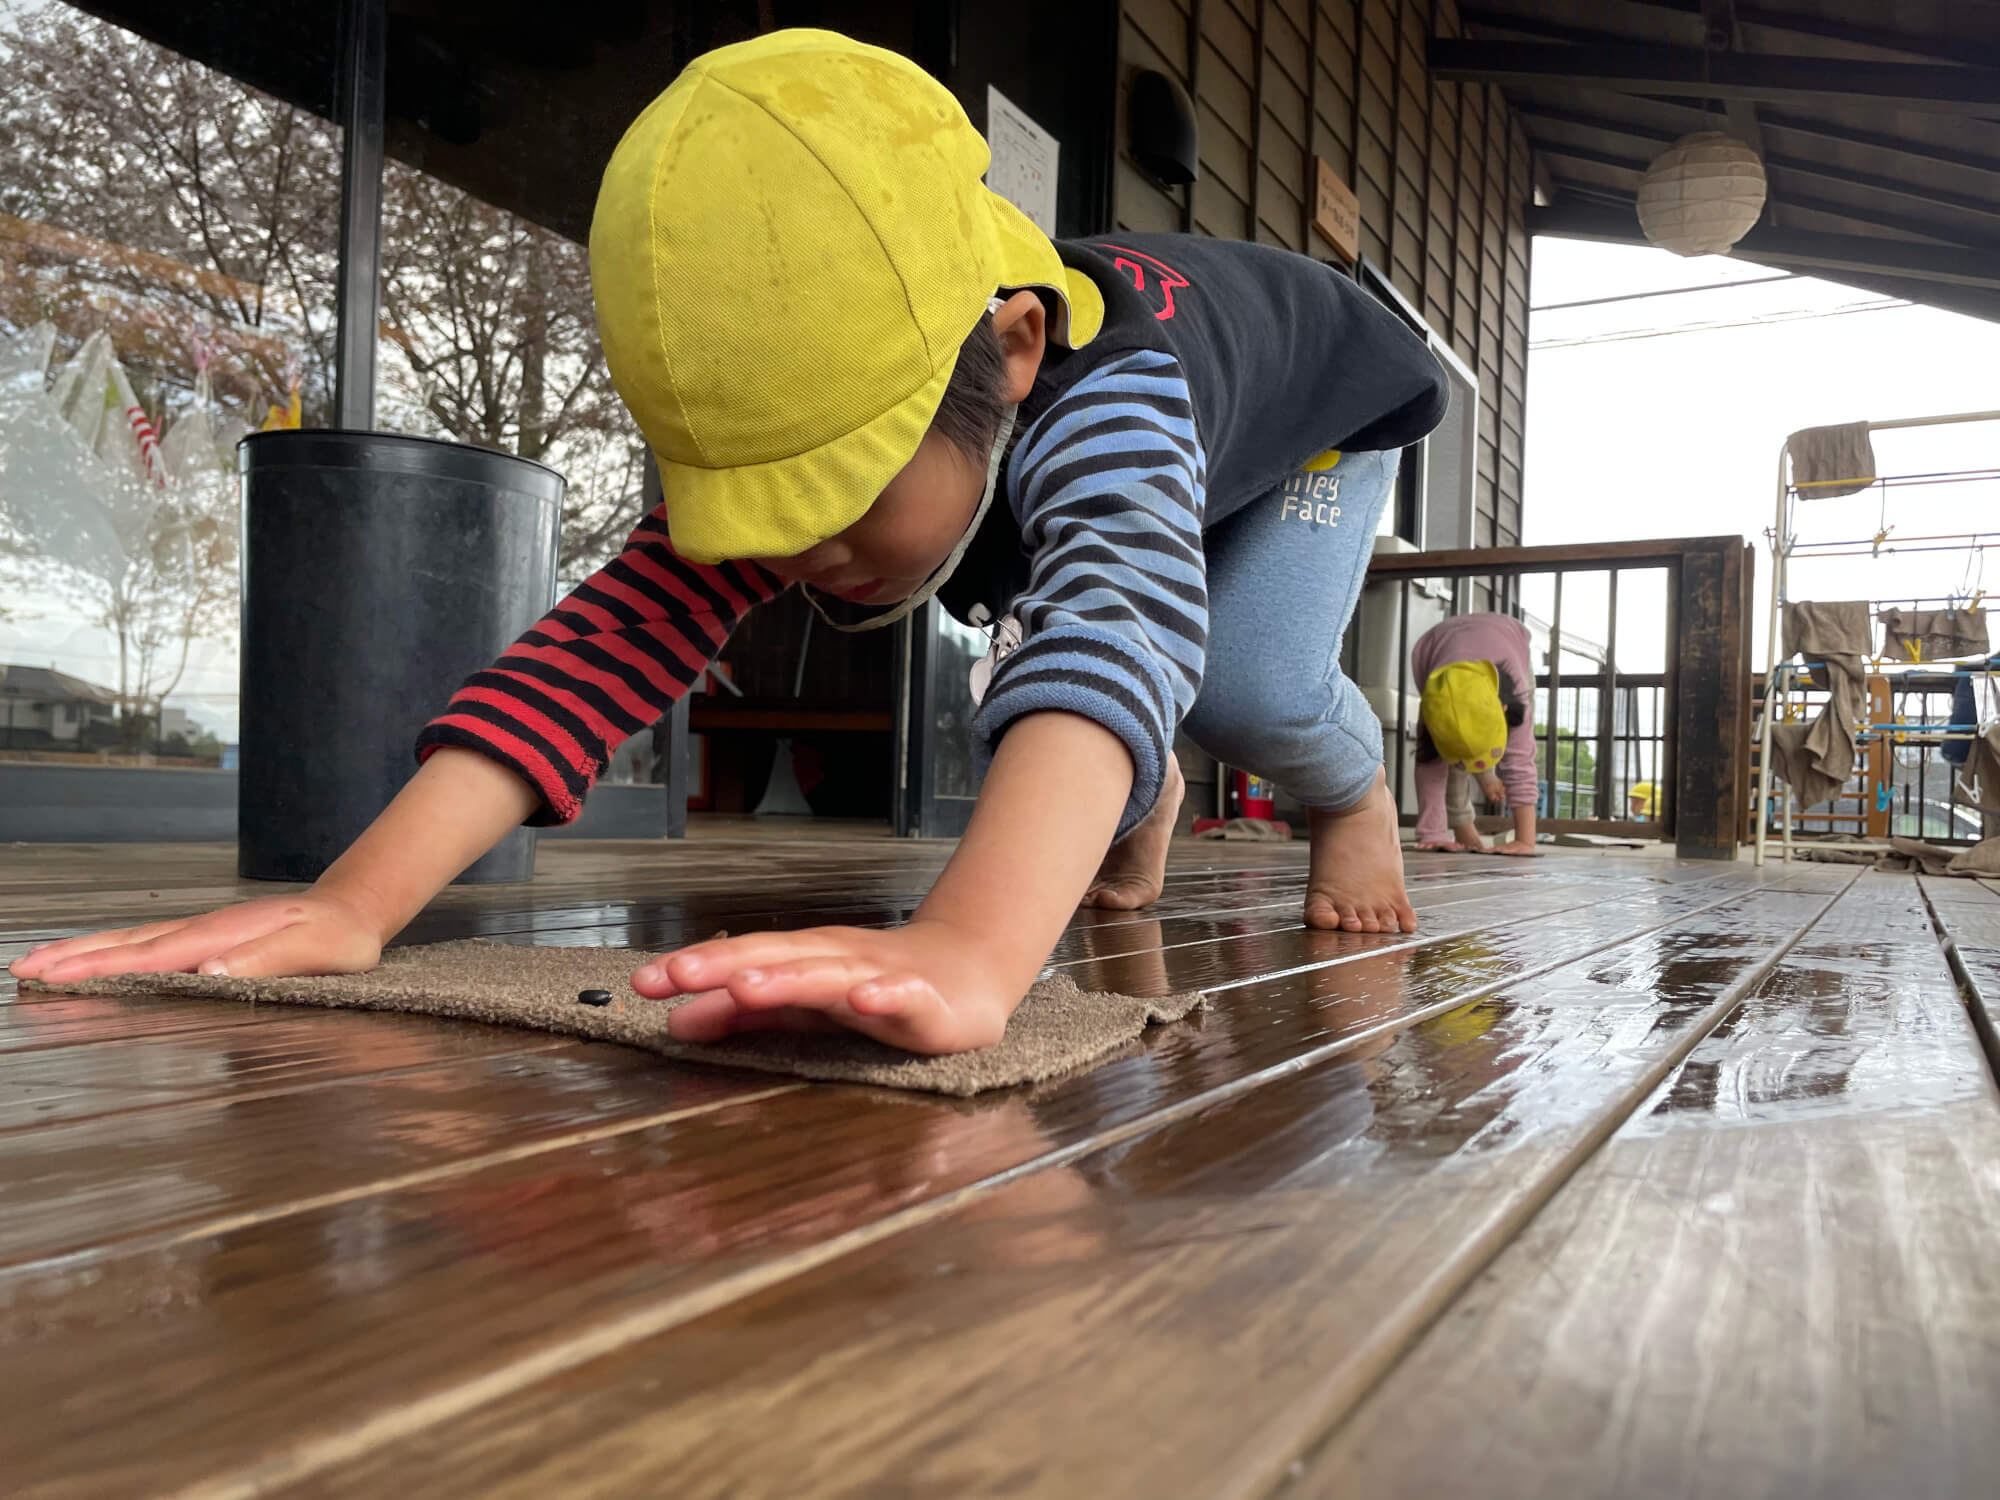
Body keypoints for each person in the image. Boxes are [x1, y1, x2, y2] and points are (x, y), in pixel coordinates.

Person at [12, 31, 1446, 1054]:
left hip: (1317, 418)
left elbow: (1123, 613)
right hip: (1084, 473)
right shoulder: (898, 398)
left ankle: (1356, 785)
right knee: (1098, 637)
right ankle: (1133, 795)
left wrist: (967, 946)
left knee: (1240, 677)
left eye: (838, 495)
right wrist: (347, 904)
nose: (803, 559)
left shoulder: (1103, 395)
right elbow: (606, 641)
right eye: (769, 512)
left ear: (1010, 350)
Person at [1409, 612, 1539, 855]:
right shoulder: (1435, 701)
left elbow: (1519, 760)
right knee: (1447, 749)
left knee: (1513, 744)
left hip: (1509, 643)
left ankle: (1483, 774)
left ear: (1504, 709)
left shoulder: (1515, 693)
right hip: (1435, 652)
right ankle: (1463, 828)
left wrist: (1525, 840)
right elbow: (1429, 765)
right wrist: (1432, 834)